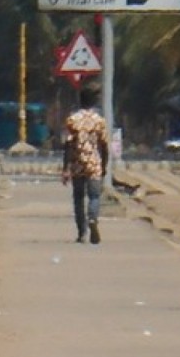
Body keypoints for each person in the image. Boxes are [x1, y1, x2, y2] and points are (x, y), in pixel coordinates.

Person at [62, 84, 110, 244]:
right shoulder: (99, 121)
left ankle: (82, 232)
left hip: (77, 164)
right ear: (94, 102)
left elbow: (68, 145)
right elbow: (104, 145)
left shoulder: (72, 120)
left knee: (78, 197)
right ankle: (93, 219)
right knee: (95, 196)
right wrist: (104, 166)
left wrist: (65, 168)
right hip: (94, 163)